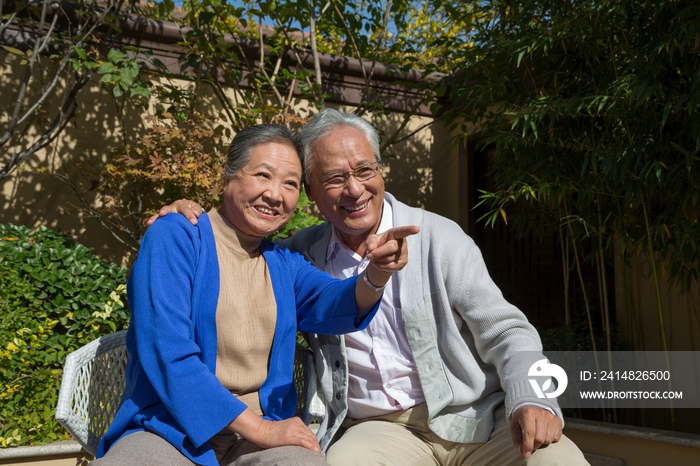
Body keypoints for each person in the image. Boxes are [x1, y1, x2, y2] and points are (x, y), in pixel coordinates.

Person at [154, 109, 590, 465]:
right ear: (311, 192)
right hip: (378, 432)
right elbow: (235, 248)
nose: (355, 189)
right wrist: (182, 214)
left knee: (558, 462)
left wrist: (532, 399)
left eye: (365, 170)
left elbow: (507, 331)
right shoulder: (295, 254)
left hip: (475, 418)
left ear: (381, 172)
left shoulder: (439, 238)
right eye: (335, 178)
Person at [95, 124, 418, 466]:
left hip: (262, 432)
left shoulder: (282, 263)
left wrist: (377, 273)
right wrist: (261, 430)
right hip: (169, 429)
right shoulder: (175, 237)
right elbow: (168, 354)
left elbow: (336, 303)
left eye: (290, 183)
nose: (276, 194)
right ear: (227, 178)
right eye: (263, 175)